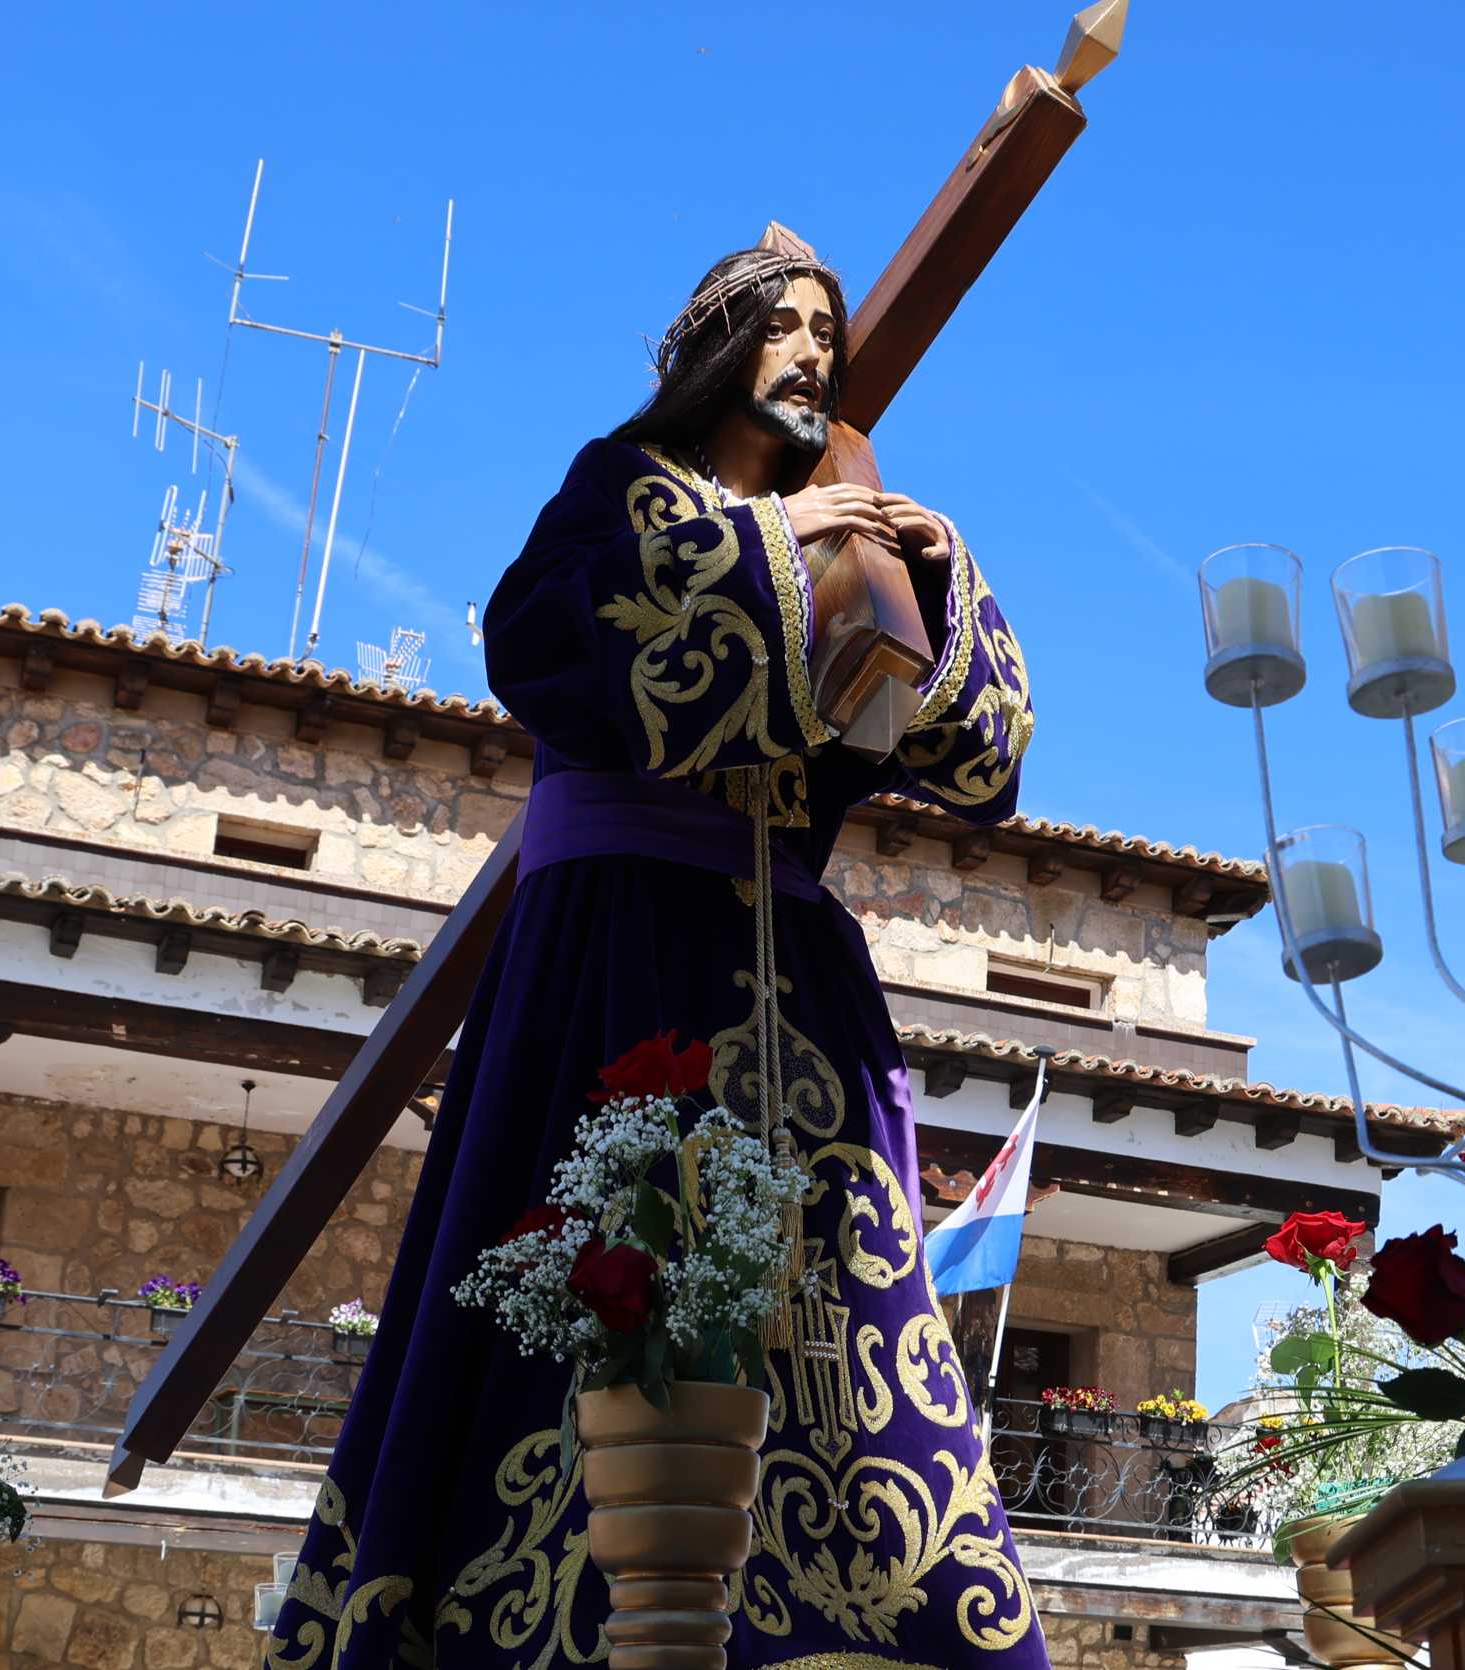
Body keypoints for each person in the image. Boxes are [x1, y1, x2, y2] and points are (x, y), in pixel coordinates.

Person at [268, 237, 1041, 1670]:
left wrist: (935, 583)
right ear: (718, 353)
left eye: (828, 332)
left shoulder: (858, 529)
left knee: (838, 1320)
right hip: (609, 951)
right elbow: (538, 634)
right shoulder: (624, 487)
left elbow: (985, 766)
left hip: (794, 989)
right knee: (580, 1271)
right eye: (783, 329)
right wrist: (776, 547)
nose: (813, 351)